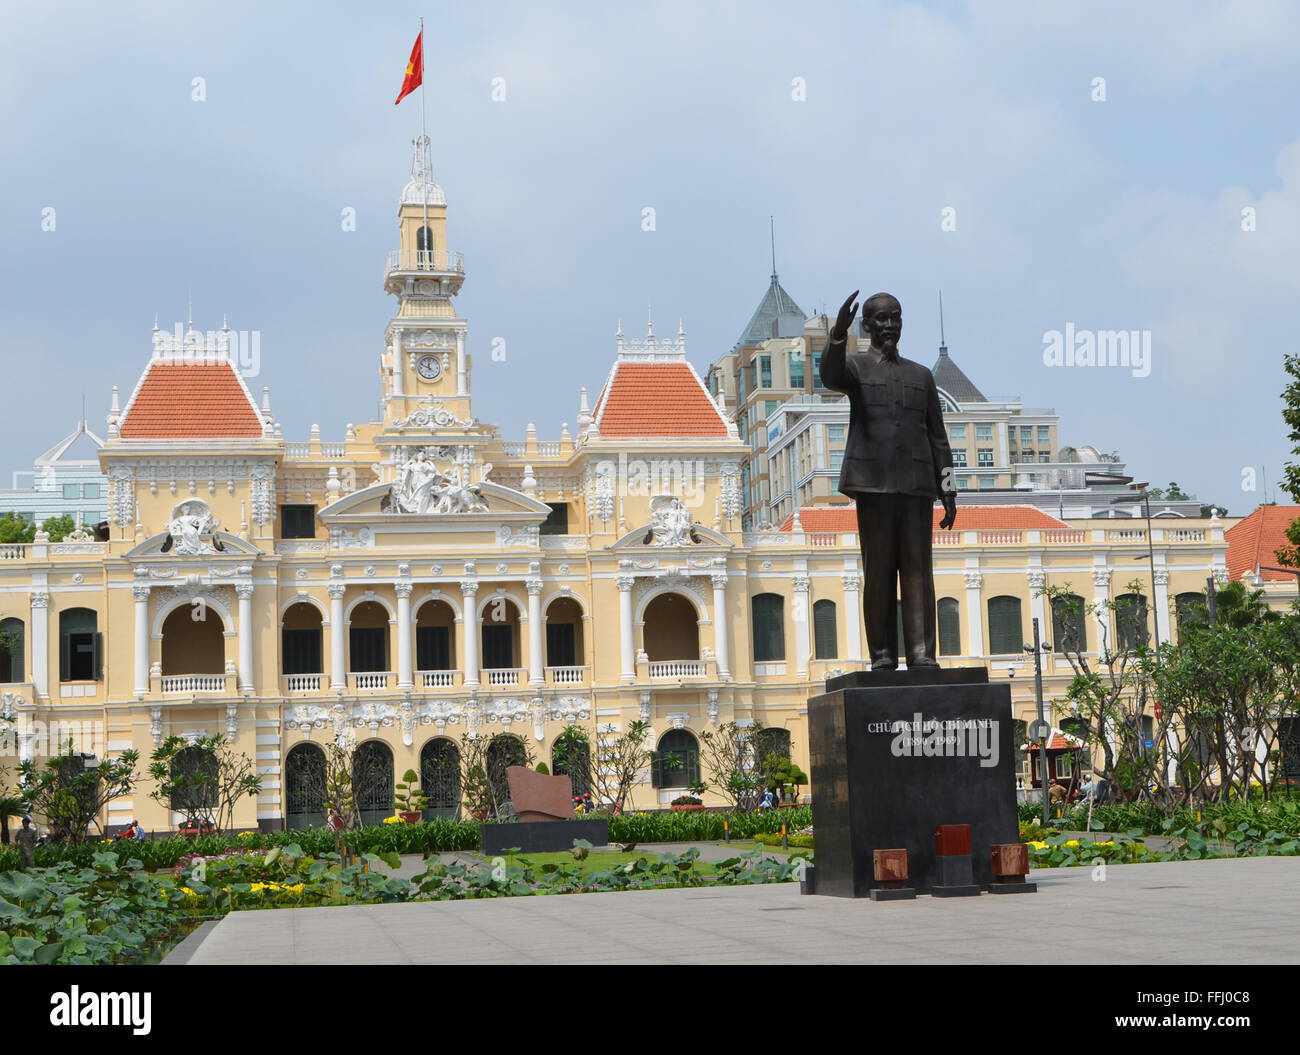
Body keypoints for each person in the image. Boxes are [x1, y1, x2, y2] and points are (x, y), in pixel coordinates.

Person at [819, 291, 957, 668]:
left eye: (895, 317)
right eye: (881, 319)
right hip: (874, 486)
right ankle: (881, 655)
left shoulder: (921, 375)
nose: (889, 324)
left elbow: (938, 437)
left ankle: (921, 653)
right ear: (867, 326)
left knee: (917, 571)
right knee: (878, 570)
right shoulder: (857, 368)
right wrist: (836, 336)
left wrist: (947, 490)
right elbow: (829, 376)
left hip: (916, 487)